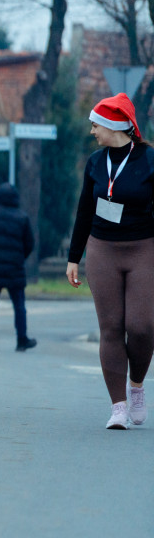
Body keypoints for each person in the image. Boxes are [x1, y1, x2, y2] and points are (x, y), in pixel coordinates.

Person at [67, 93, 152, 430]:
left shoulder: (149, 160)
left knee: (142, 326)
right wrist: (74, 257)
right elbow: (84, 211)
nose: (92, 132)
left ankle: (137, 385)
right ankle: (118, 406)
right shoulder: (94, 162)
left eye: (96, 125)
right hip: (102, 249)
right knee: (112, 328)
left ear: (115, 125)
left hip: (144, 248)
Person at [0, 182, 37, 352]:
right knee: (19, 305)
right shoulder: (22, 217)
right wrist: (18, 258)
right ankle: (21, 339)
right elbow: (29, 244)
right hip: (14, 269)